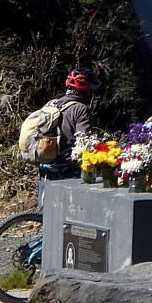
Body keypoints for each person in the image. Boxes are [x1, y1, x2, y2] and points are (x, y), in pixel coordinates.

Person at [37, 68, 100, 207]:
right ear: (87, 91)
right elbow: (84, 142)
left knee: (45, 214)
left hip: (46, 167)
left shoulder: (50, 104)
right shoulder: (81, 109)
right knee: (70, 215)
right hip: (68, 171)